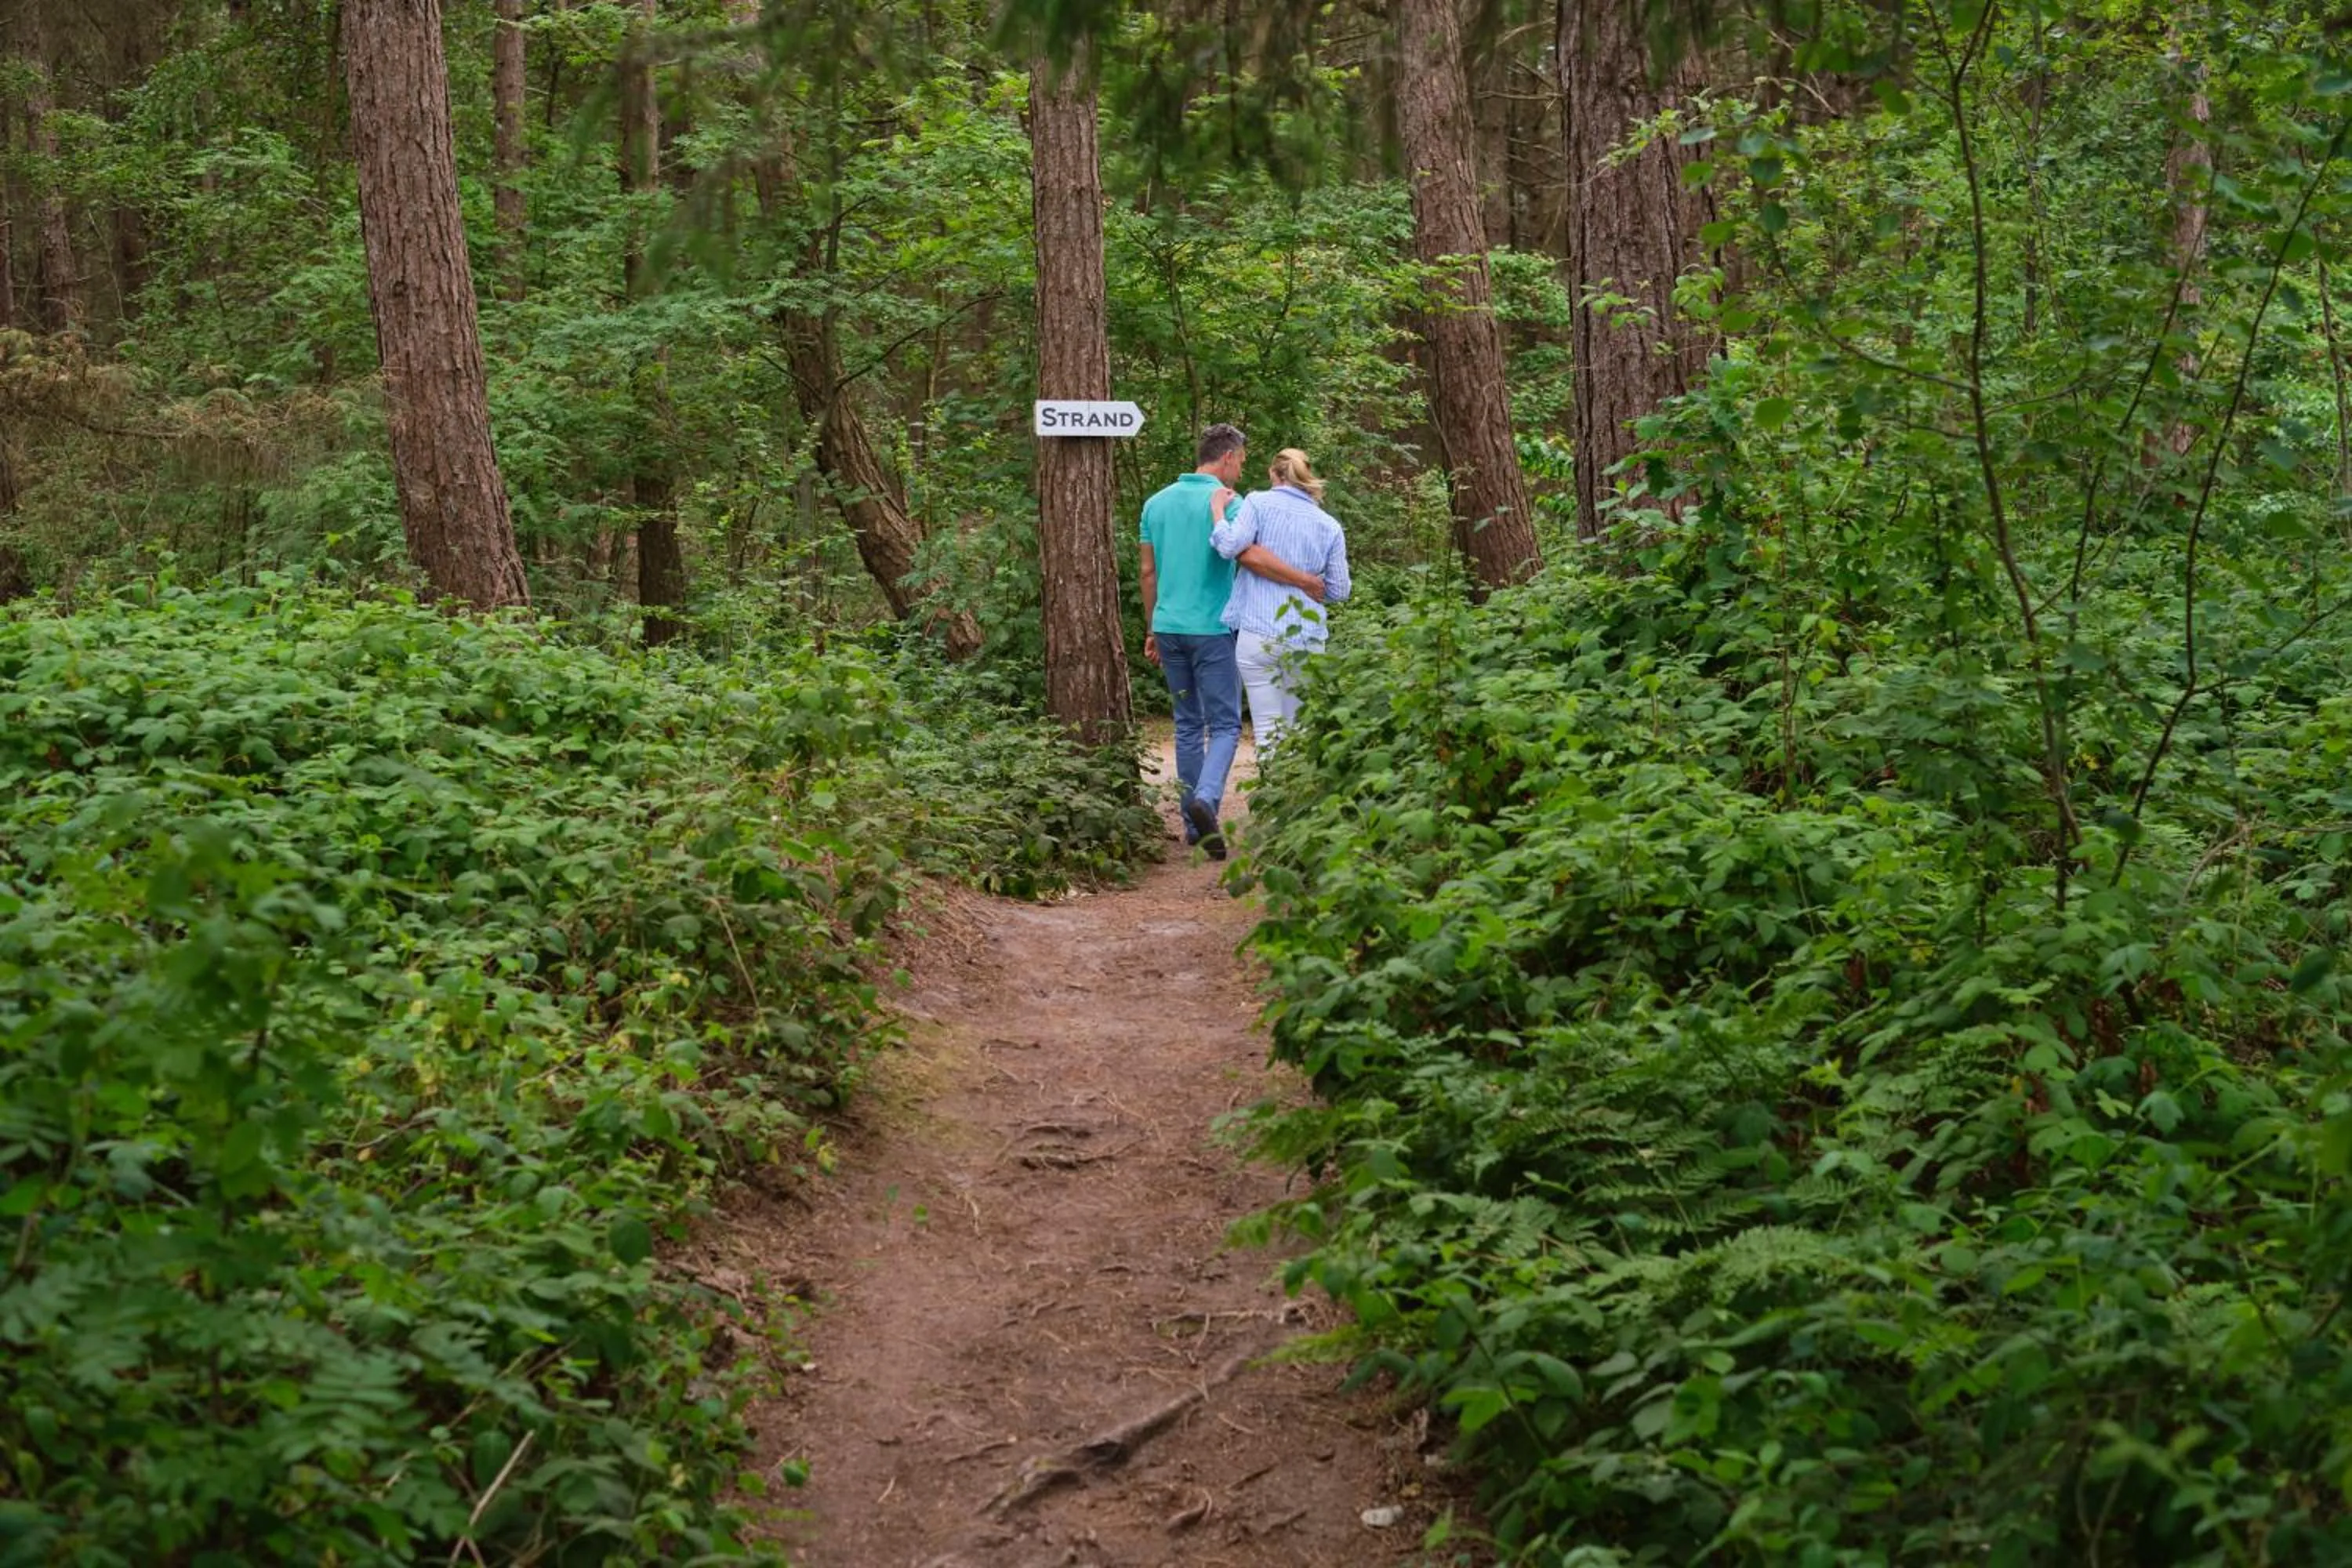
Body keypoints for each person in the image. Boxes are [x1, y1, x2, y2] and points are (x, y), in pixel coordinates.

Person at [1138, 423, 1248, 858]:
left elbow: (1148, 572)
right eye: (1239, 460)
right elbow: (1243, 554)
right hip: (1213, 630)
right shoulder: (1229, 505)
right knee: (1224, 724)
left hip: (1168, 627)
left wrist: (1152, 627)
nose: (1240, 468)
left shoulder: (1156, 503)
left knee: (1186, 723)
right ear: (1225, 458)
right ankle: (1206, 799)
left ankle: (1192, 827)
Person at [1211, 448, 1352, 751]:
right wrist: (1309, 582)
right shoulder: (1329, 525)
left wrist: (1218, 512)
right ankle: (1293, 796)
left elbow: (1230, 547)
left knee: (1267, 730)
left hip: (1258, 633)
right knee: (1299, 729)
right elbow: (1340, 590)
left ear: (1273, 474)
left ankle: (1268, 792)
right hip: (1306, 637)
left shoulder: (1257, 503)